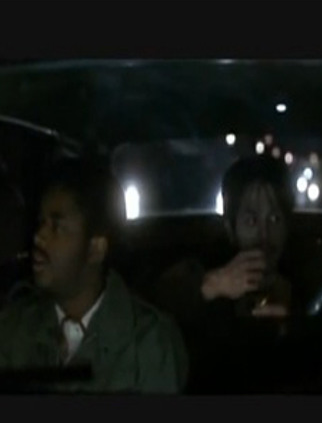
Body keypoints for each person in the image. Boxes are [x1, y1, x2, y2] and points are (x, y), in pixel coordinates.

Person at [0, 158, 188, 394]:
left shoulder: (149, 341)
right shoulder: (13, 327)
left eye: (57, 227)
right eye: (41, 223)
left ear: (95, 248)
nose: (39, 237)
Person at [149, 154, 296, 392]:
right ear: (230, 227)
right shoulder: (204, 273)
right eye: (251, 221)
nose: (264, 235)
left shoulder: (305, 281)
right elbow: (150, 305)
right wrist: (213, 285)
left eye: (275, 218)